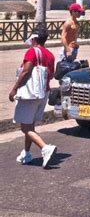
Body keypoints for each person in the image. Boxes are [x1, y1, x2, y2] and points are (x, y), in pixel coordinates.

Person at [9, 26, 57, 168]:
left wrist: (14, 89)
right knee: (30, 124)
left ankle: (45, 148)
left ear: (34, 38)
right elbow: (51, 74)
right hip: (43, 92)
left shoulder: (32, 52)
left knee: (25, 127)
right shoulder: (50, 54)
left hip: (30, 94)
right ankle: (26, 153)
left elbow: (25, 72)